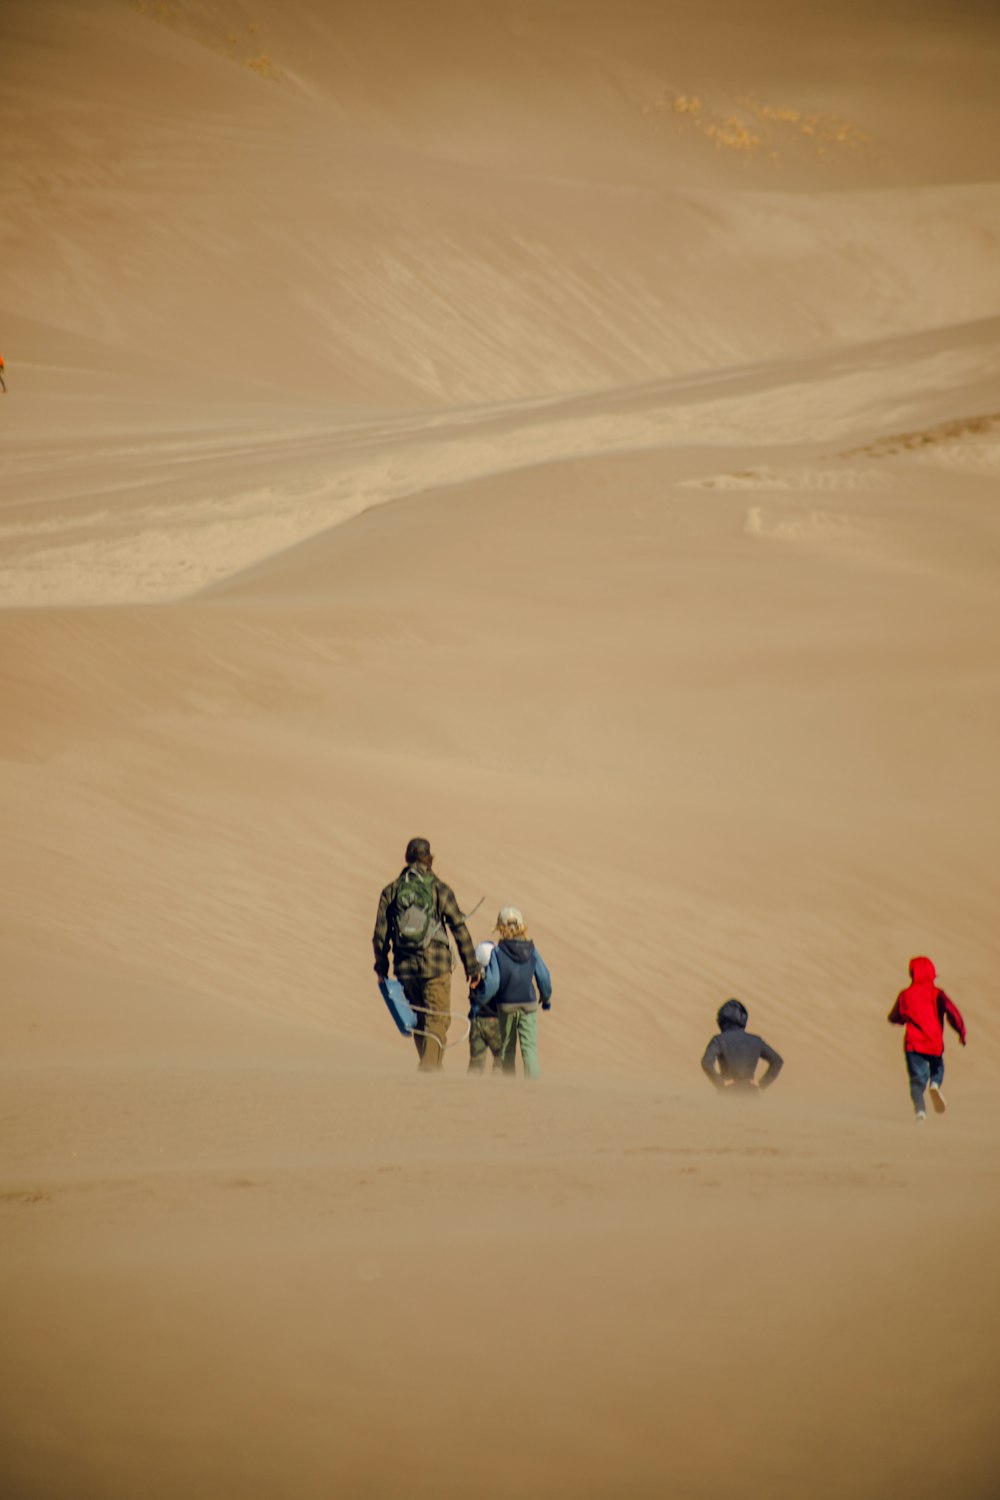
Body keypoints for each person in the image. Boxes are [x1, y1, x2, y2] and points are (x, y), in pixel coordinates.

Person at [372, 837, 481, 1072]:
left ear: (407, 858)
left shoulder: (391, 890)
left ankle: (432, 1069)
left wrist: (382, 968)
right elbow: (459, 929)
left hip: (405, 969)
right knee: (438, 1019)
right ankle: (428, 1073)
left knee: (421, 1022)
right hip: (436, 966)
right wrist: (472, 968)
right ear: (429, 858)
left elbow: (380, 934)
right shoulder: (439, 888)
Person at [473, 906, 552, 1079]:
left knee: (507, 1049)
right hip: (529, 1004)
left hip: (506, 1005)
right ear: (522, 926)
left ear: (500, 928)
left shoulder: (498, 952)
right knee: (529, 1048)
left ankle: (509, 1088)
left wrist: (479, 1003)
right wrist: (546, 998)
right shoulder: (532, 950)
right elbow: (544, 976)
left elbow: (493, 983)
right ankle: (534, 1089)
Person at [888, 956, 966, 1121]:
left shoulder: (905, 995)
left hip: (913, 1045)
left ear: (912, 974)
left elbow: (895, 1016)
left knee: (917, 1081)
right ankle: (935, 1085)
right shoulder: (938, 994)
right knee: (938, 1068)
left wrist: (899, 1019)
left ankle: (920, 1112)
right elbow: (953, 1013)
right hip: (934, 1043)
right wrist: (961, 1031)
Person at [701, 999, 783, 1093]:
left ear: (721, 1020)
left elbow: (706, 1063)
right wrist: (762, 1083)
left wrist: (719, 1082)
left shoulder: (718, 1040)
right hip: (751, 1093)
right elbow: (777, 1061)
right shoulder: (756, 1040)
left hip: (728, 1093)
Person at [468, 940, 504, 1074]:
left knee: (476, 1062)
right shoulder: (496, 978)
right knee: (502, 1058)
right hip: (496, 1022)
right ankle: (497, 1090)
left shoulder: (475, 978)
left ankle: (471, 1092)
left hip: (477, 1022)